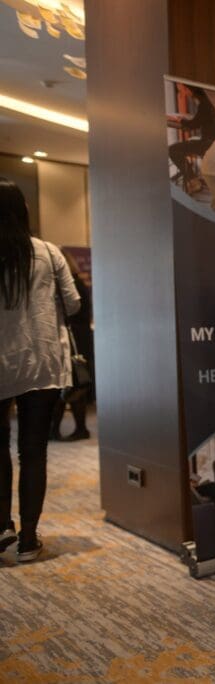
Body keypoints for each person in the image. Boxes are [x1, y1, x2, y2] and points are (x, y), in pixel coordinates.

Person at [1, 177, 81, 562]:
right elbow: (74, 303)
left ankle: (2, 527)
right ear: (24, 212)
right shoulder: (48, 253)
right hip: (41, 364)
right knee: (32, 453)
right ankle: (29, 539)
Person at [50, 249, 93, 441]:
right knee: (74, 386)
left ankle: (62, 430)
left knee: (68, 385)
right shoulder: (79, 283)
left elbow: (71, 311)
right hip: (81, 339)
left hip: (73, 340)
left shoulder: (69, 285)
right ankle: (75, 429)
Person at [167, 84, 215, 192]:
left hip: (208, 145)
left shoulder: (204, 105)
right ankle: (193, 179)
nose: (181, 91)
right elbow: (197, 121)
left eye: (182, 89)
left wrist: (179, 120)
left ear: (190, 89)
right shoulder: (208, 103)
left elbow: (192, 125)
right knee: (183, 146)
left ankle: (193, 180)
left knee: (172, 150)